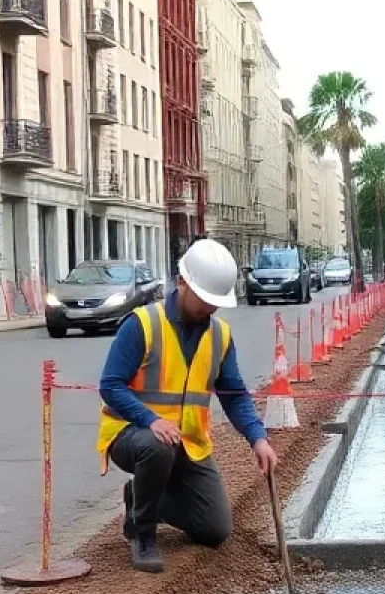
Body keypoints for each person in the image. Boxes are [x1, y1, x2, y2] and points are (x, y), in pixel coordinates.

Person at [97, 238, 277, 573]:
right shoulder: (142, 325)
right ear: (182, 282)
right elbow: (110, 385)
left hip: (189, 446)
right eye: (205, 299)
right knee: (156, 446)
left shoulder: (220, 336)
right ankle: (143, 531)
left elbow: (234, 394)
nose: (210, 308)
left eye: (215, 302)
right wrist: (150, 420)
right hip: (133, 436)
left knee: (214, 530)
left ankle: (140, 498)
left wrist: (258, 437)